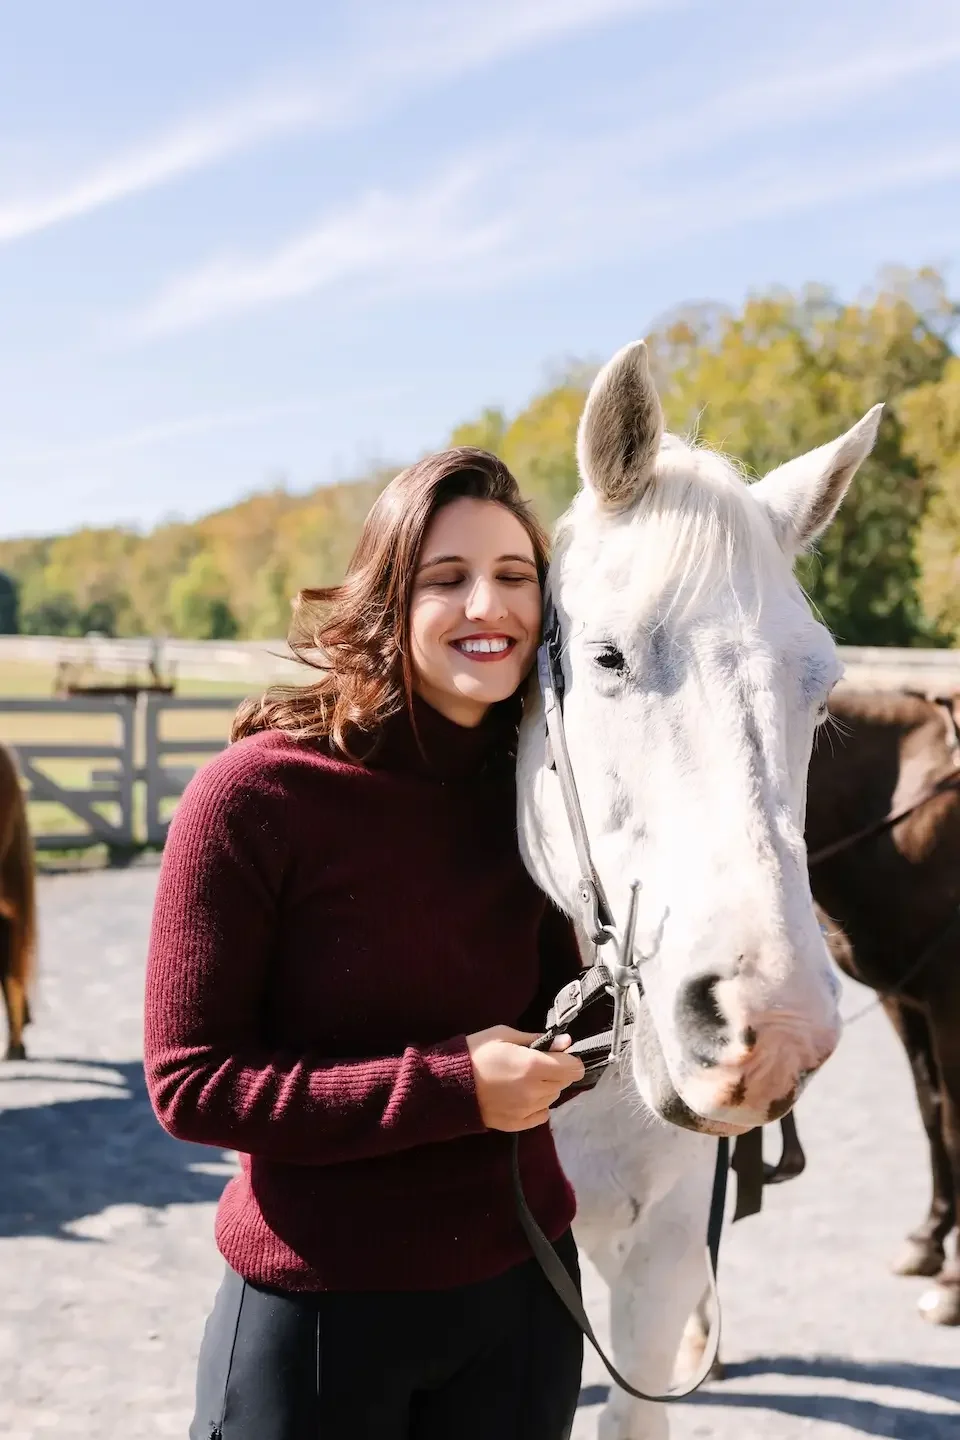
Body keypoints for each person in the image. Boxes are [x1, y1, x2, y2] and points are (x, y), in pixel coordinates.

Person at [143, 447, 588, 1439]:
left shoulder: (547, 790)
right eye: (448, 579)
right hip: (320, 1317)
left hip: (526, 1297)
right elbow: (193, 1082)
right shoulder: (258, 798)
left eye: (517, 576)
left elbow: (571, 1022)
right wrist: (455, 1086)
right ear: (389, 598)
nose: (491, 605)